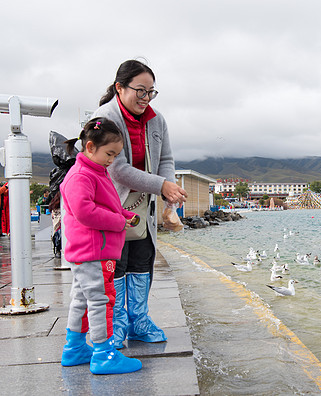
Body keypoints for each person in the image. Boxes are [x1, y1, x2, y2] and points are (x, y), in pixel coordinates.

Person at [92, 59, 187, 349]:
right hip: (111, 205)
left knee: (143, 260)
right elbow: (116, 170)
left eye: (151, 92)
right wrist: (162, 185)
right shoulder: (104, 118)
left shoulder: (157, 120)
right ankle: (116, 325)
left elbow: (166, 160)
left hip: (143, 208)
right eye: (140, 91)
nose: (145, 99)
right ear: (120, 88)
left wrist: (168, 192)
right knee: (115, 265)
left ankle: (139, 321)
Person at [60, 117, 142, 375]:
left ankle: (74, 348)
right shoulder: (82, 175)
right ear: (90, 147)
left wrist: (125, 215)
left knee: (82, 299)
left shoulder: (93, 171)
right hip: (94, 251)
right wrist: (119, 222)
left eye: (116, 155)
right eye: (109, 153)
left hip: (87, 251)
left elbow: (104, 205)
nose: (112, 160)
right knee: (101, 300)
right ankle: (104, 353)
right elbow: (85, 212)